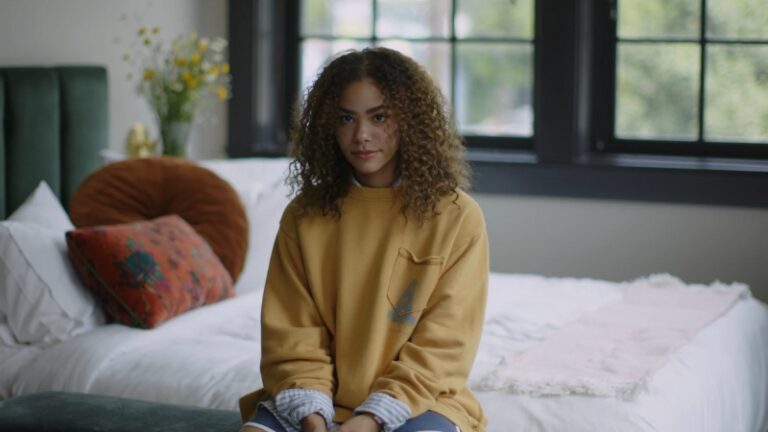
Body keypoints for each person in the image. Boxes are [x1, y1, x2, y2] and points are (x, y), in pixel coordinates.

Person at [239, 47, 489, 432]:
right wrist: (313, 415)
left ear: (409, 119)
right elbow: (292, 333)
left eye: (380, 117)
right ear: (327, 125)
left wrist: (372, 419)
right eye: (345, 118)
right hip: (312, 400)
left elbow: (445, 345)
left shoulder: (457, 216)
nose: (362, 136)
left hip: (421, 401)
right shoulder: (304, 215)